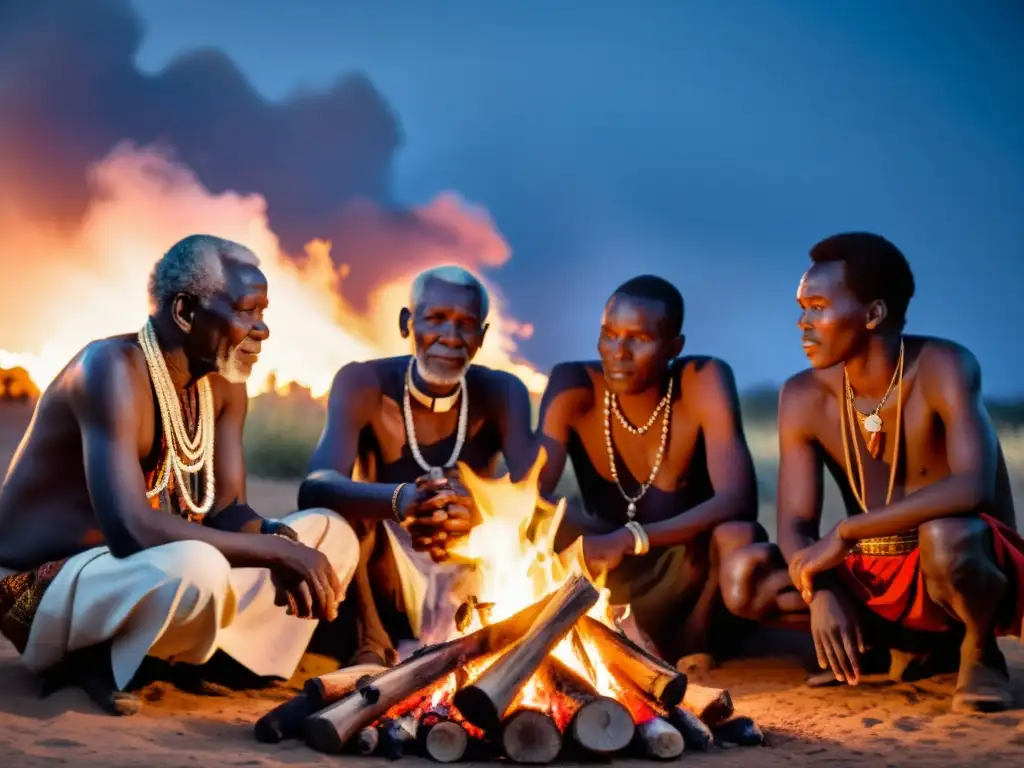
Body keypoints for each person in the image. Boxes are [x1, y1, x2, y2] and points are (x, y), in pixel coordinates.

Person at [0, 235, 358, 715]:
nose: (263, 330)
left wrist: (281, 540)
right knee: (198, 565)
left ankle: (208, 660)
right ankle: (94, 657)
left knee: (330, 534)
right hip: (42, 587)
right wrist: (272, 552)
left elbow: (227, 509)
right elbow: (131, 529)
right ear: (186, 311)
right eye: (247, 312)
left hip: (144, 573)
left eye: (264, 313)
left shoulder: (224, 387)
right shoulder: (110, 368)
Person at [719, 232, 1022, 713]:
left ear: (874, 314)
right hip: (875, 576)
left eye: (817, 306)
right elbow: (795, 524)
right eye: (801, 307)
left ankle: (978, 650)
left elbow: (973, 485)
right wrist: (818, 590)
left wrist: (846, 531)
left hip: (959, 564)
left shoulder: (944, 366)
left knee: (945, 537)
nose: (803, 323)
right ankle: (892, 648)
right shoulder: (802, 396)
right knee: (745, 575)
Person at [298, 265, 536, 666]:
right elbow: (316, 485)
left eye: (466, 325)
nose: (450, 337)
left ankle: (474, 646)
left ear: (482, 335)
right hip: (381, 572)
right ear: (407, 323)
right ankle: (368, 647)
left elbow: (536, 492)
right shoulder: (363, 383)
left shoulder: (502, 391)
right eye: (436, 319)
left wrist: (476, 508)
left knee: (520, 533)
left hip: (468, 565)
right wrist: (402, 501)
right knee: (344, 517)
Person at [534, 275, 761, 667]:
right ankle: (579, 636)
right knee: (540, 518)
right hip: (606, 568)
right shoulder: (573, 384)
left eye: (638, 339)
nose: (618, 352)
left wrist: (633, 538)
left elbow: (739, 498)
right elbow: (529, 491)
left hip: (687, 571)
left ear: (674, 347)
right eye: (609, 334)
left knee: (736, 533)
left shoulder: (701, 380)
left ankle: (695, 646)